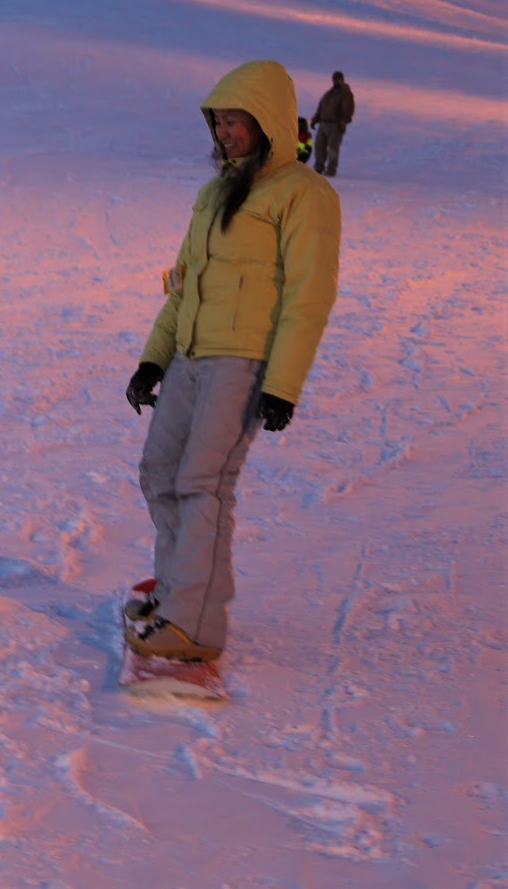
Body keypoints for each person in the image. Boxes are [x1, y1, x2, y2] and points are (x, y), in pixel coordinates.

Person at [124, 60, 341, 662]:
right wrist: (153, 361)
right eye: (217, 122)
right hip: (191, 357)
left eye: (234, 121)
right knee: (160, 473)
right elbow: (185, 285)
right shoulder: (215, 192)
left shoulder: (304, 194)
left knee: (202, 483)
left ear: (266, 122)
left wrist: (283, 384)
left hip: (242, 363)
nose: (224, 132)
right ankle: (177, 596)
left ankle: (194, 624)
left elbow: (309, 293)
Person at [310, 71, 355, 176]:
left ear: (342, 80)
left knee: (332, 149)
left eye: (338, 79)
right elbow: (321, 107)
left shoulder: (346, 94)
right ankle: (318, 167)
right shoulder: (328, 94)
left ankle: (331, 170)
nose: (335, 81)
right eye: (334, 79)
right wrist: (315, 120)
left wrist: (343, 121)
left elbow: (348, 110)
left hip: (336, 125)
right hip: (323, 124)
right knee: (319, 146)